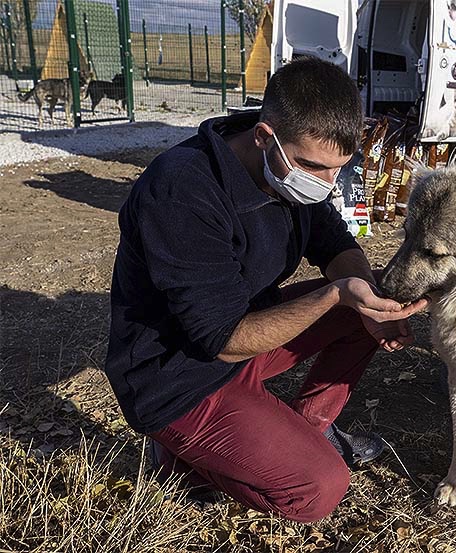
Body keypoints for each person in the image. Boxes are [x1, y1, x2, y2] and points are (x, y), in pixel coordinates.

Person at [104, 57, 428, 523]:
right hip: (178, 377)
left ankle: (308, 430)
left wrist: (370, 299)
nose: (326, 184)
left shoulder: (288, 171)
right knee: (320, 489)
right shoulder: (182, 191)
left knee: (365, 310)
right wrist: (336, 294)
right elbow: (226, 341)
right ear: (263, 136)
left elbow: (336, 243)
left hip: (242, 330)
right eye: (313, 168)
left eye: (338, 170)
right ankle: (184, 460)